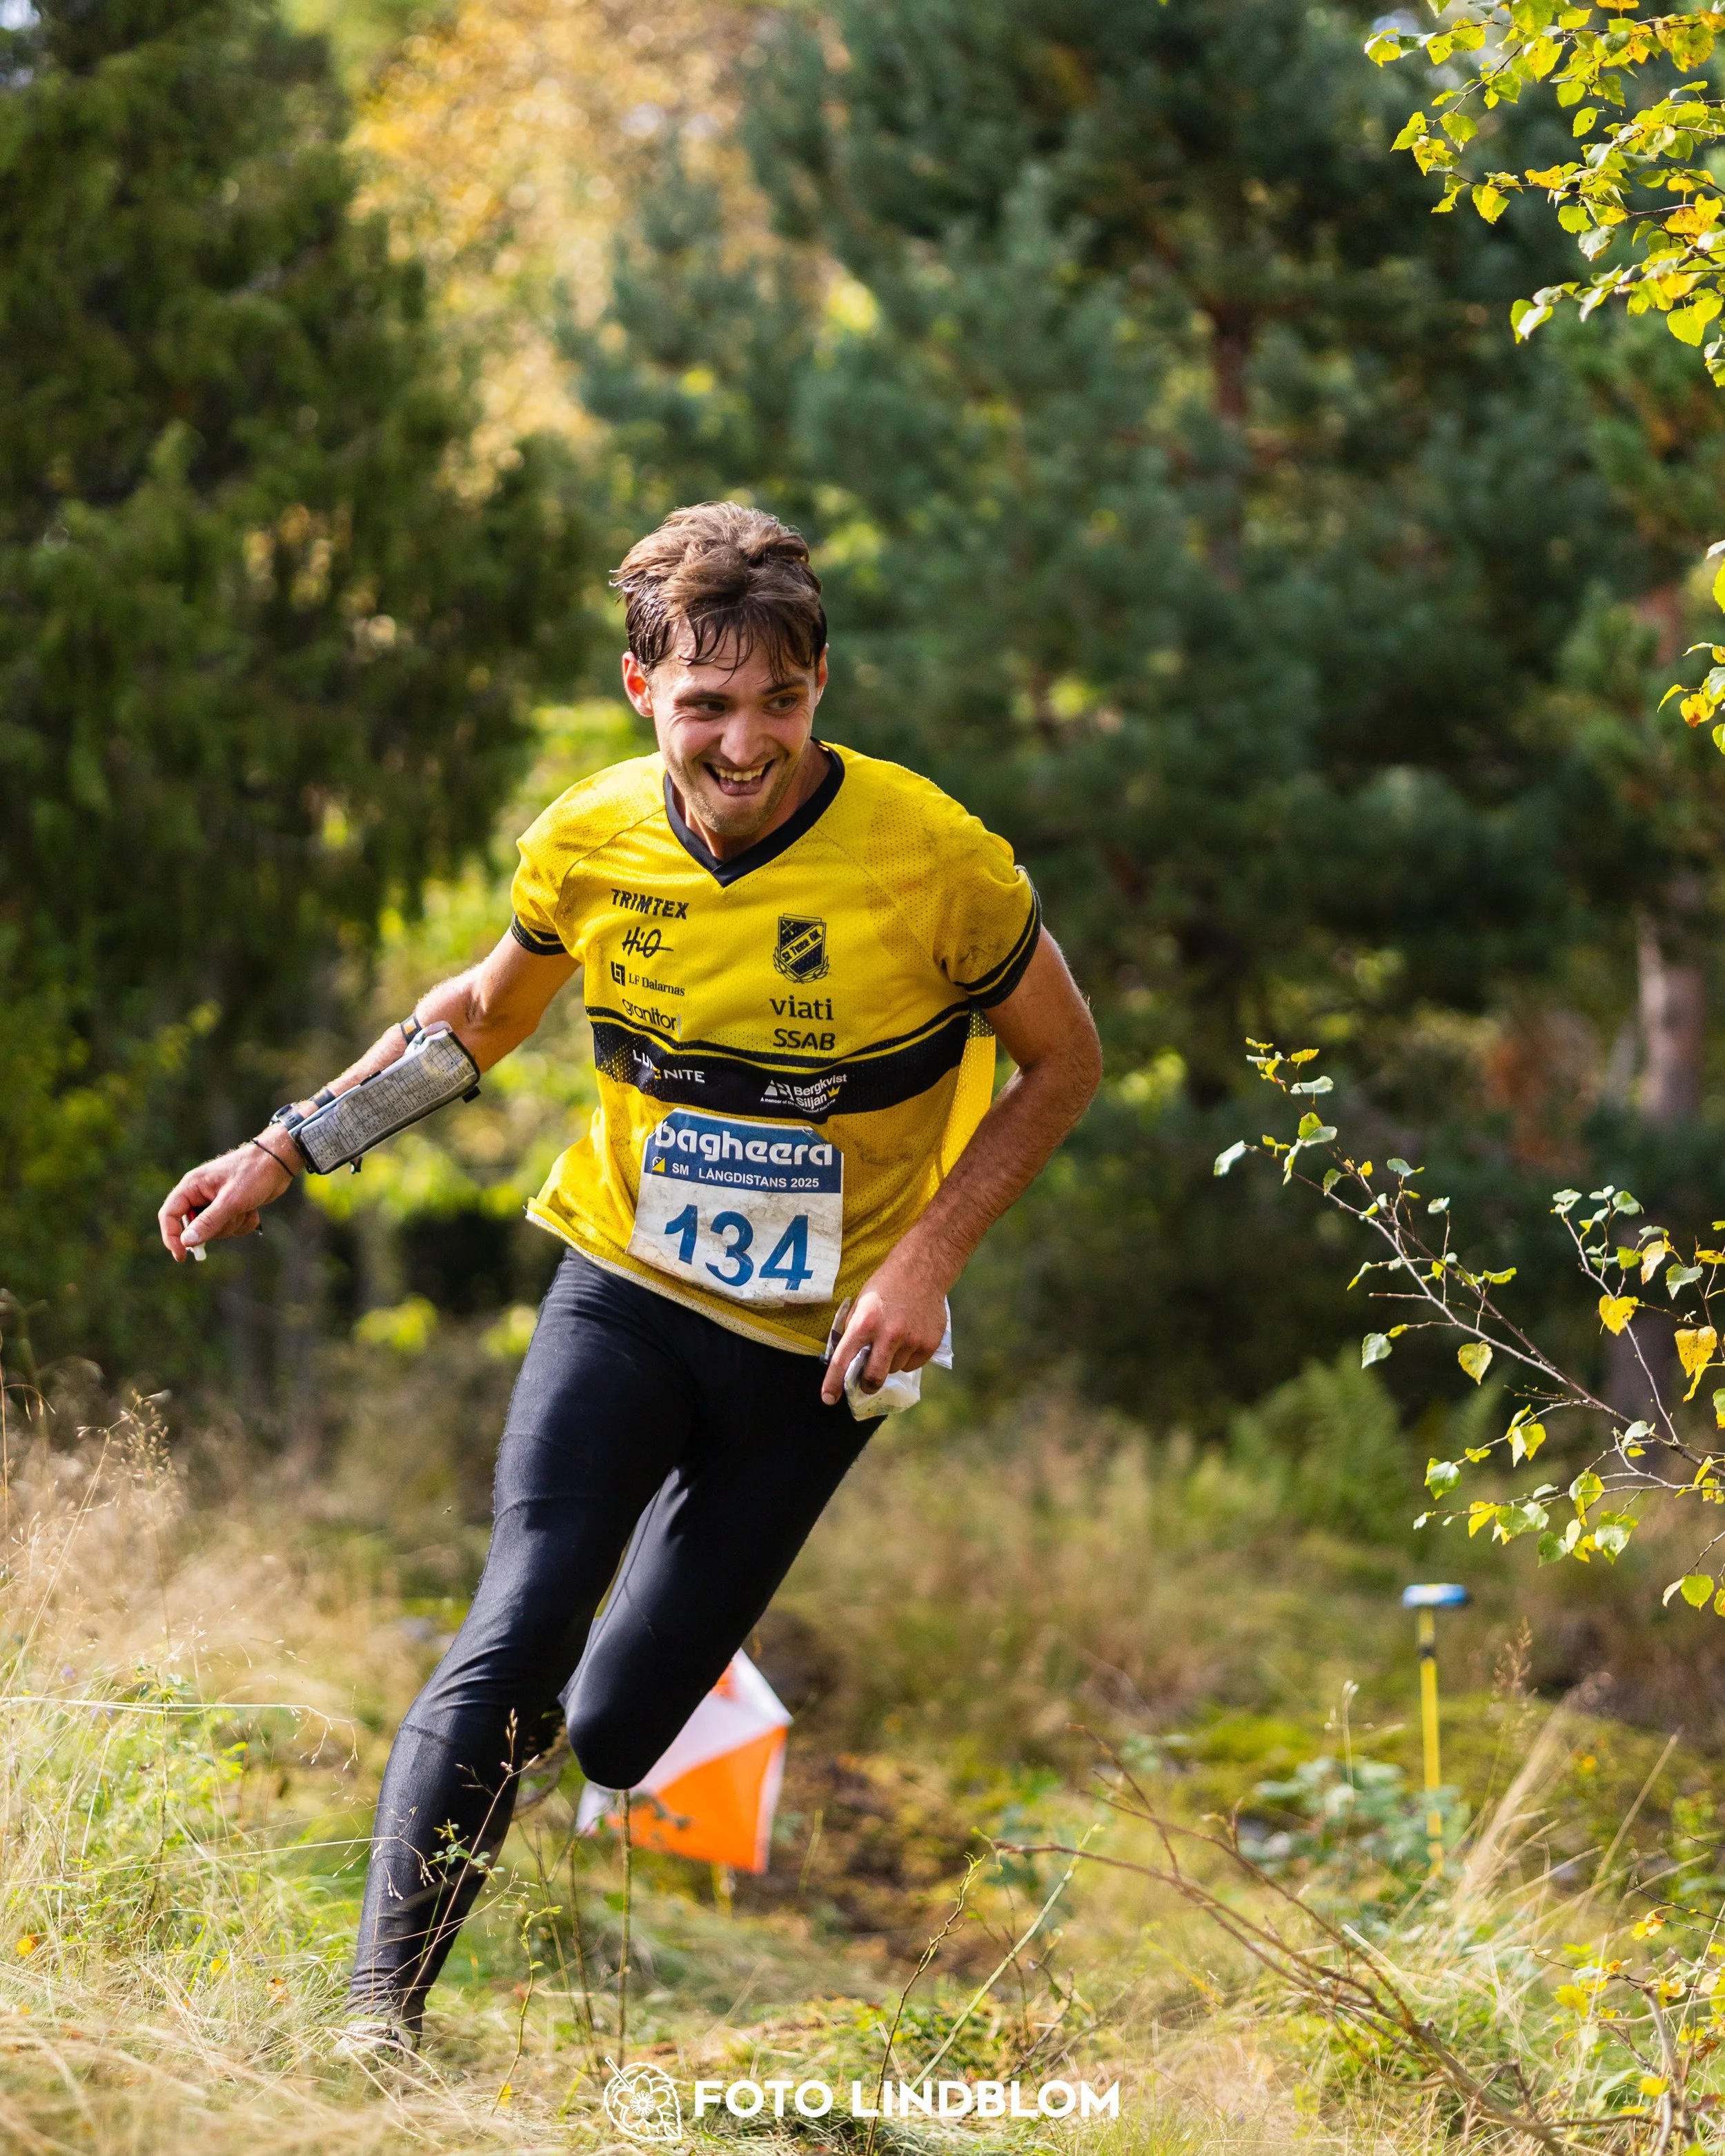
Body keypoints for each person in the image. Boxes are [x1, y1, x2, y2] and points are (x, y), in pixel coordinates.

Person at [157, 501, 1103, 2051]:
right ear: (638, 687)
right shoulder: (589, 837)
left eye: (780, 703)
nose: (746, 744)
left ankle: (654, 1627)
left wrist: (928, 1259)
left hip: (820, 1354)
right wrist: (286, 1149)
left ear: (820, 688)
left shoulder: (934, 857)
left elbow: (1062, 1063)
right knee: (517, 1630)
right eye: (705, 704)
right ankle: (374, 2021)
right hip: (625, 1291)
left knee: (605, 1733)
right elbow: (475, 1017)